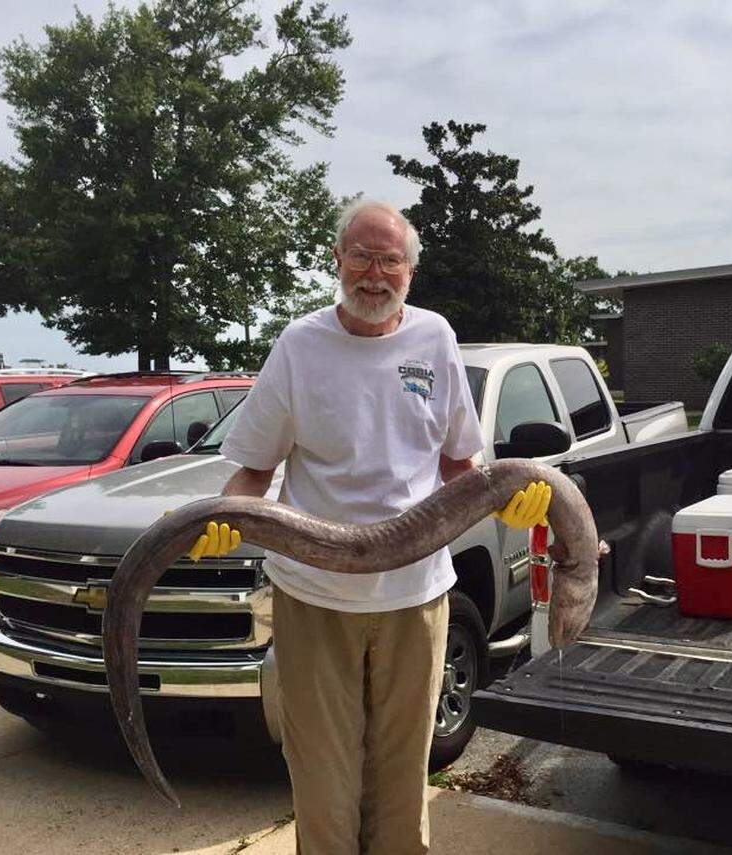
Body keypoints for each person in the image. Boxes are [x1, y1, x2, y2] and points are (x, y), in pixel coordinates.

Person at [188, 199, 550, 854]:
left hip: (417, 599)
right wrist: (217, 519)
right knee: (324, 792)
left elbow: (462, 464)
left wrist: (506, 499)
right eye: (362, 255)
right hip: (313, 598)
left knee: (403, 786)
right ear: (337, 260)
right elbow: (251, 470)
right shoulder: (300, 345)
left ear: (411, 270)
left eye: (391, 259)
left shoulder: (435, 338)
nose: (375, 273)